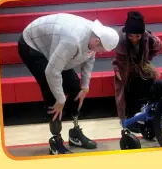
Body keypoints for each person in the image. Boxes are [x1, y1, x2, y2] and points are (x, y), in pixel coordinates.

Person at [17, 13, 119, 155]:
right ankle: (56, 140)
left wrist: (85, 86)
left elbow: (89, 60)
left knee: (75, 88)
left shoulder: (94, 36)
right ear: (97, 41)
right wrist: (60, 100)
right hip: (32, 43)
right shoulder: (72, 40)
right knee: (52, 94)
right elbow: (51, 72)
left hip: (53, 40)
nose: (101, 53)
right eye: (102, 49)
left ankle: (75, 134)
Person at [112, 11, 162, 132]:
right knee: (126, 94)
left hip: (142, 67)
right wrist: (117, 70)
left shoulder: (149, 38)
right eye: (131, 36)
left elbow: (158, 47)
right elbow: (117, 59)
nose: (134, 39)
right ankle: (128, 120)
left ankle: (148, 117)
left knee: (147, 88)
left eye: (137, 36)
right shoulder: (120, 39)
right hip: (126, 70)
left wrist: (148, 59)